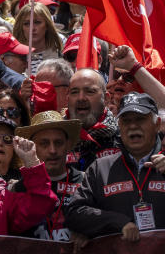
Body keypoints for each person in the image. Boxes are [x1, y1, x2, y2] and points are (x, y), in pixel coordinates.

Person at [65, 93, 165, 243]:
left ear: (157, 124)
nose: (132, 126)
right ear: (119, 126)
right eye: (126, 121)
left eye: (140, 119)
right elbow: (74, 213)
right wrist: (118, 223)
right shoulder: (100, 168)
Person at [13, 110, 83, 241]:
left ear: (68, 145)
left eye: (58, 143)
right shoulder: (17, 189)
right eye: (44, 143)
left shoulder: (87, 182)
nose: (52, 150)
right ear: (31, 147)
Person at [65, 68, 119, 171]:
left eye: (90, 91)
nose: (81, 98)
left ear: (106, 98)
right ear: (67, 98)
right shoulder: (57, 137)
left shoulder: (123, 137)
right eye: (74, 92)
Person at [14, 2, 64, 74]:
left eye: (37, 22)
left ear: (47, 25)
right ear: (21, 27)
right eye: (26, 23)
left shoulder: (61, 54)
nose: (32, 28)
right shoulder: (13, 57)